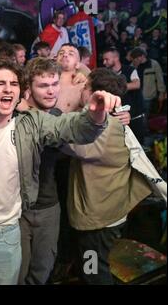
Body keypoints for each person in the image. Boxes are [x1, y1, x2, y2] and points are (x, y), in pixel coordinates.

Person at [0, 58, 121, 285]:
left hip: (5, 238)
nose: (8, 88)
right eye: (0, 83)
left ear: (21, 92)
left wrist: (95, 115)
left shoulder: (32, 124)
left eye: (14, 84)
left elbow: (73, 128)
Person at [63, 68, 152, 284]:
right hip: (109, 212)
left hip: (98, 222)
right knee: (92, 265)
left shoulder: (103, 126)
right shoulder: (114, 116)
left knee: (93, 270)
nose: (81, 90)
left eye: (85, 87)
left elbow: (70, 142)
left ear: (96, 94)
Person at [17, 58, 63, 285]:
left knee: (42, 271)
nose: (51, 90)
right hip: (18, 210)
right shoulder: (14, 117)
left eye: (55, 83)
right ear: (28, 88)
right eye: (43, 86)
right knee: (17, 273)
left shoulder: (58, 117)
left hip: (48, 207)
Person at [102, 46, 146, 143]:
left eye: (106, 59)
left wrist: (116, 87)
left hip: (135, 117)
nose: (104, 62)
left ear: (116, 58)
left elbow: (136, 84)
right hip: (118, 118)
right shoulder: (106, 74)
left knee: (138, 146)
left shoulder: (130, 70)